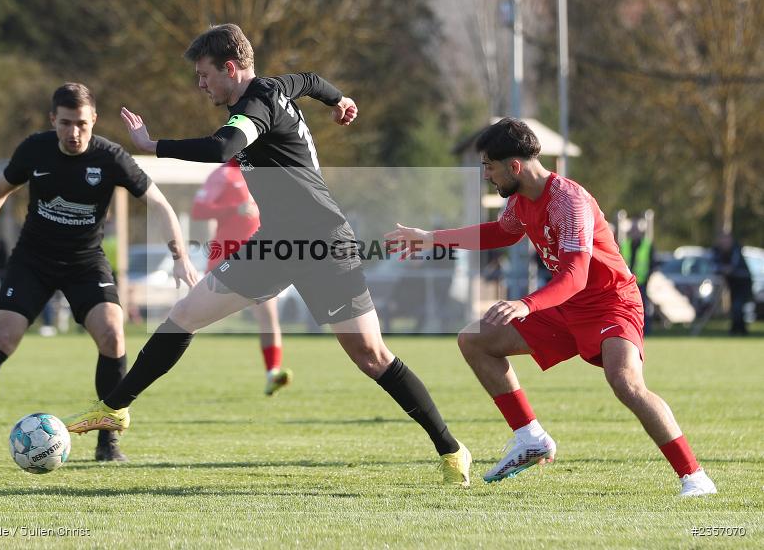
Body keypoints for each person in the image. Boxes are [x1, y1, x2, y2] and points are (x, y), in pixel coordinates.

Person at [65, 24, 471, 486]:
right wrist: (339, 99)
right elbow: (312, 80)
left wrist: (152, 146)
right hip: (274, 243)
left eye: (204, 75)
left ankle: (451, 449)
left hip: (322, 242)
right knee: (184, 315)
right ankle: (116, 408)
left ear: (230, 68)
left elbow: (223, 148)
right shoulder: (276, 86)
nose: (200, 85)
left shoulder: (255, 106)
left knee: (372, 355)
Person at [385, 117, 716, 497]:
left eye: (489, 167)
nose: (487, 176)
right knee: (475, 341)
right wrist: (431, 239)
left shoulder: (568, 201)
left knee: (626, 383)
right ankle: (531, 438)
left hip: (611, 304)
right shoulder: (522, 200)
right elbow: (502, 233)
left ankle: (694, 477)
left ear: (514, 166)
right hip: (566, 306)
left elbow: (576, 275)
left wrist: (526, 305)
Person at [0, 83, 198, 465]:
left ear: (94, 121)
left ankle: (108, 442)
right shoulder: (34, 149)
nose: (74, 133)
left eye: (82, 124)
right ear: (53, 120)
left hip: (85, 262)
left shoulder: (110, 157)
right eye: (66, 123)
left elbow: (158, 202)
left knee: (112, 332)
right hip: (33, 260)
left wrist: (179, 254)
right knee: (2, 336)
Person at [192, 158, 293, 395]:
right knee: (192, 318)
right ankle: (159, 357)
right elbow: (198, 210)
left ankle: (272, 374)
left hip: (258, 260)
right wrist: (233, 210)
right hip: (226, 259)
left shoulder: (261, 173)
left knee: (269, 318)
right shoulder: (224, 174)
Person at [712, 233, 752, 336]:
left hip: (743, 282)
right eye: (723, 240)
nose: (725, 243)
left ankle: (738, 330)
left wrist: (726, 269)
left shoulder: (736, 250)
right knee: (735, 307)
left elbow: (732, 267)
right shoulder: (717, 251)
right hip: (732, 283)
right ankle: (738, 330)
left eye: (727, 240)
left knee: (737, 306)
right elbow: (715, 265)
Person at [620, 220, 654, 335]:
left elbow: (652, 263)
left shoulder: (646, 245)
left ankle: (645, 330)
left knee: (643, 307)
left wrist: (648, 277)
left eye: (637, 231)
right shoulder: (625, 244)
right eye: (633, 231)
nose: (635, 233)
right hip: (628, 283)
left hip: (642, 282)